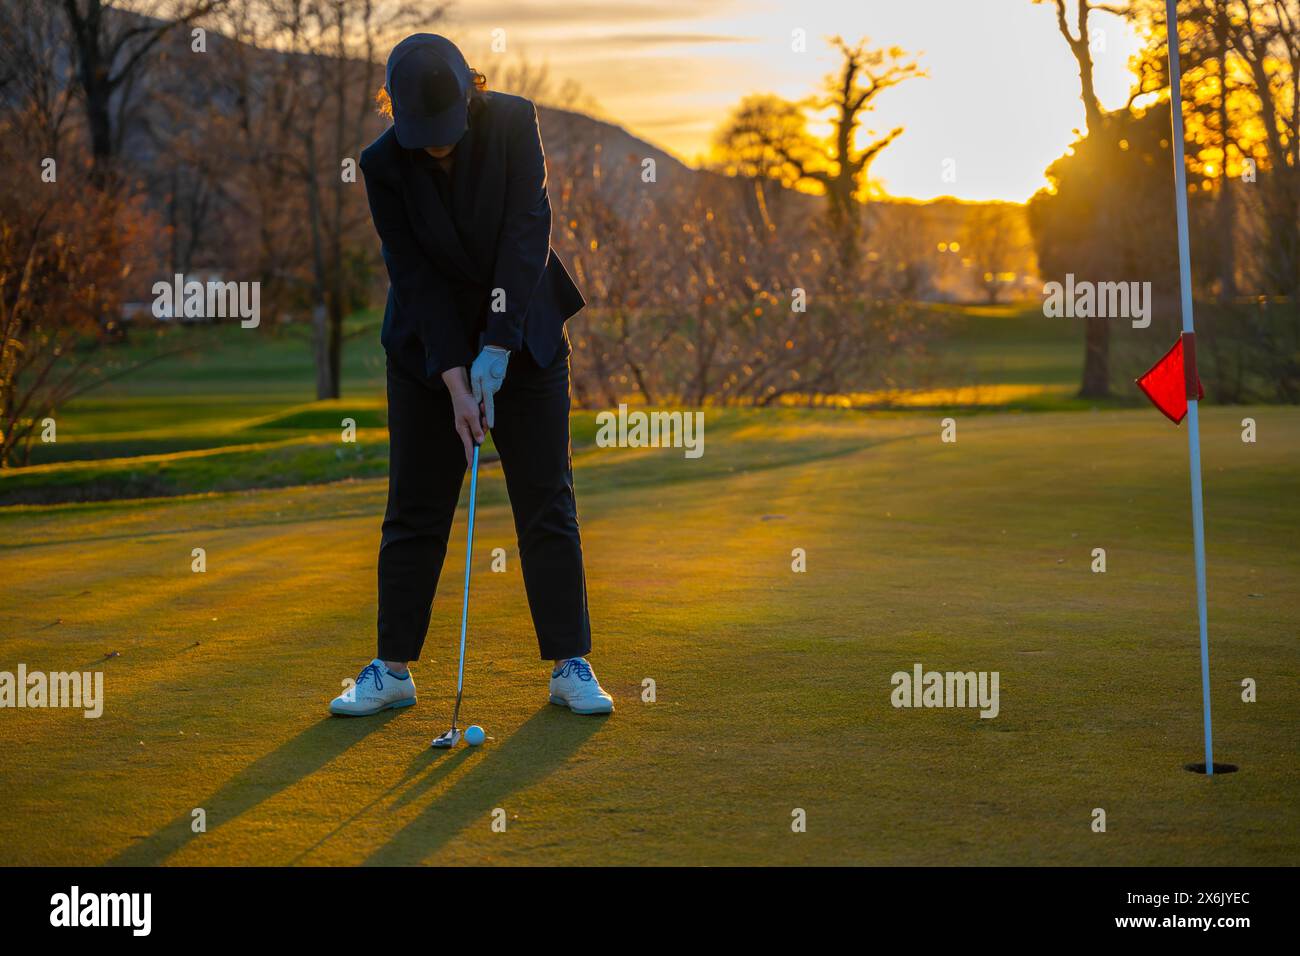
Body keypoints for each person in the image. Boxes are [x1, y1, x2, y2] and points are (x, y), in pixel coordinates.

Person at [329, 33, 612, 723]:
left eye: (446, 131)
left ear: (470, 94)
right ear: (392, 112)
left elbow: (527, 233)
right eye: (422, 134)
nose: (437, 147)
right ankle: (391, 670)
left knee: (547, 499)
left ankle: (569, 663)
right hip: (429, 349)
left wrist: (499, 346)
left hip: (525, 334)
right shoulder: (381, 165)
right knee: (416, 506)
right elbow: (415, 277)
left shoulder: (515, 123)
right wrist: (457, 380)